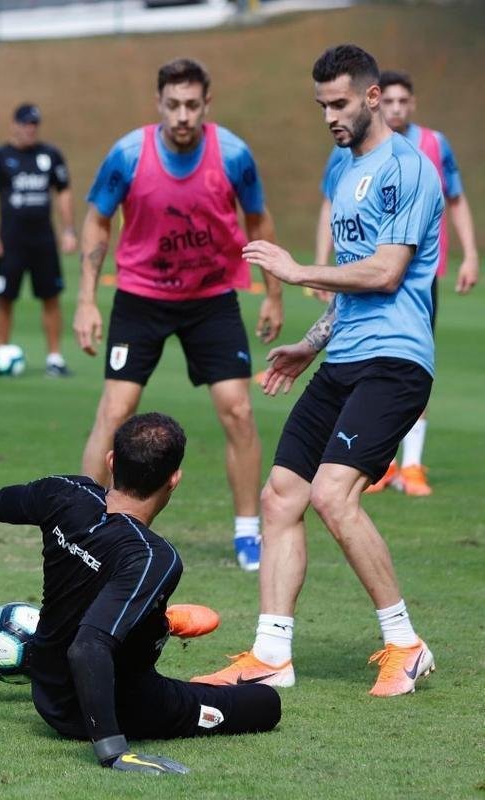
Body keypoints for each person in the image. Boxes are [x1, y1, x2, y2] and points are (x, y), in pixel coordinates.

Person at [191, 45, 442, 697]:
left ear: (369, 96)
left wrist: (298, 271)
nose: (329, 116)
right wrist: (310, 343)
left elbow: (385, 272)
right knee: (280, 495)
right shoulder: (341, 165)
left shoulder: (407, 168)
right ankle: (272, 655)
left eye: (338, 103)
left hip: (395, 360)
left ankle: (404, 644)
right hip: (344, 355)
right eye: (320, 105)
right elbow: (354, 284)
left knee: (333, 493)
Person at [0, 412, 281, 773]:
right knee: (265, 704)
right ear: (174, 479)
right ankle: (189, 677)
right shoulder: (153, 556)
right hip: (114, 707)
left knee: (133, 625)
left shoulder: (64, 492)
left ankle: (164, 630)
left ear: (112, 460)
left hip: (47, 691)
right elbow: (88, 647)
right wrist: (112, 750)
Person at [72, 58, 284, 572]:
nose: (183, 115)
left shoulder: (233, 155)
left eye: (192, 105)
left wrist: (273, 293)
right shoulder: (127, 154)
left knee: (238, 408)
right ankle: (85, 524)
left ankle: (247, 531)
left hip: (211, 298)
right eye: (173, 105)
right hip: (141, 296)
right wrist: (85, 300)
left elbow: (259, 219)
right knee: (116, 409)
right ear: (158, 104)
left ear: (206, 105)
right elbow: (97, 221)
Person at [315, 69, 479, 496]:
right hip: (358, 278)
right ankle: (382, 463)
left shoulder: (432, 147)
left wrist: (470, 254)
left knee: (410, 358)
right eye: (389, 101)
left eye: (403, 101)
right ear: (375, 101)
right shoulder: (347, 149)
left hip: (413, 279)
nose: (396, 108)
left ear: (413, 103)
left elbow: (456, 200)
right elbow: (330, 204)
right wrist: (319, 261)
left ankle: (413, 465)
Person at [0, 103, 77, 377]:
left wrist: (68, 230)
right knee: (4, 297)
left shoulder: (50, 156)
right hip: (11, 240)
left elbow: (64, 191)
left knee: (51, 296)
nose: (30, 129)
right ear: (14, 125)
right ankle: (1, 354)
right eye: (25, 124)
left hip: (43, 239)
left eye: (34, 124)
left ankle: (55, 358)